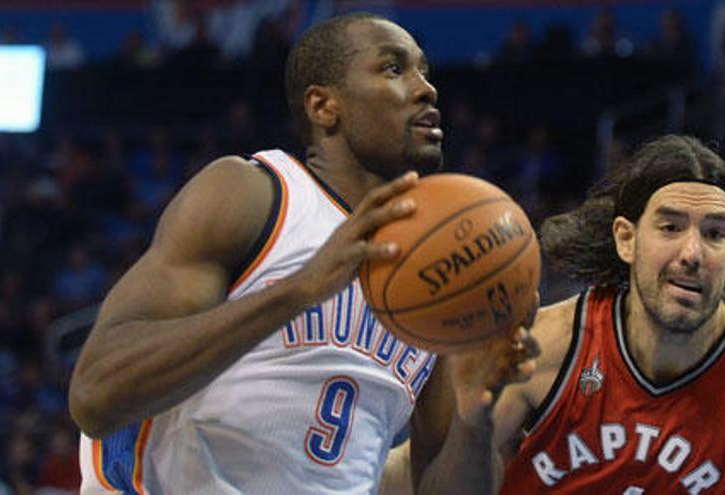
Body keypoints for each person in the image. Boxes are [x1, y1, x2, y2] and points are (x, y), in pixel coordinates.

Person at [68, 12, 537, 495]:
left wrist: (474, 414)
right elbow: (96, 396)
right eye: (393, 69)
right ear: (323, 106)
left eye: (425, 71)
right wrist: (298, 290)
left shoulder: (437, 277)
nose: (426, 89)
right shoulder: (254, 195)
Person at [493, 135, 725, 493]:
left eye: (714, 233)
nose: (693, 252)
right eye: (670, 228)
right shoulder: (547, 344)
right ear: (625, 239)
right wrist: (469, 417)